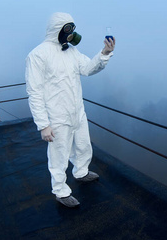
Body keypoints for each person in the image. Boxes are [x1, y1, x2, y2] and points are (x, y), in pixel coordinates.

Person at [25, 12, 115, 208]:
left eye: (72, 29)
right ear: (56, 30)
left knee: (83, 145)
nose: (72, 34)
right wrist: (43, 125)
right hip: (57, 117)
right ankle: (60, 190)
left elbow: (89, 69)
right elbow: (35, 93)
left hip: (77, 112)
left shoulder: (72, 52)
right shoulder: (38, 55)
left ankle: (81, 171)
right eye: (67, 29)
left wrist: (104, 53)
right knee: (59, 155)